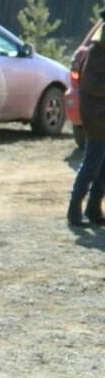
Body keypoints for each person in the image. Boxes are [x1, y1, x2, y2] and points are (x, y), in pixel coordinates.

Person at [68, 11, 105, 227]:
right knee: (92, 162)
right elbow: (90, 84)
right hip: (97, 114)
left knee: (103, 165)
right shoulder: (98, 50)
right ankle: (74, 209)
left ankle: (93, 208)